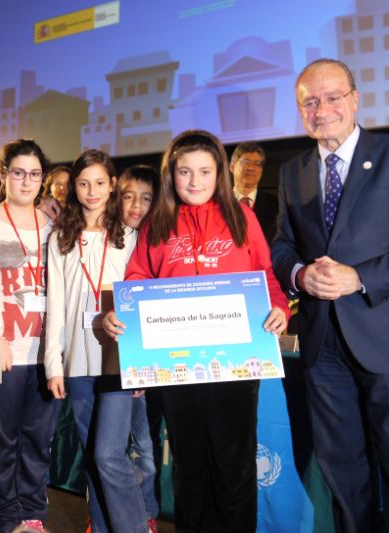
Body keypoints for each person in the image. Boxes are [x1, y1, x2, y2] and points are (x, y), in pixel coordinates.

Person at [271, 58, 389, 533]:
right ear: (300, 110)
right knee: (342, 474)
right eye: (310, 101)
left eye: (333, 97)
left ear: (354, 100)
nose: (322, 108)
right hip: (323, 345)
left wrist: (360, 278)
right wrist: (299, 274)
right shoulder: (293, 172)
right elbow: (283, 245)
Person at [104, 130, 289, 532]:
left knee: (234, 466)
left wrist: (278, 307)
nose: (194, 181)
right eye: (185, 171)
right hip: (177, 368)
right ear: (171, 175)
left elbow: (266, 275)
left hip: (237, 364)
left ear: (219, 173)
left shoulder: (242, 217)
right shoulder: (158, 222)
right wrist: (121, 320)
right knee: (189, 466)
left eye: (205, 171)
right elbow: (137, 280)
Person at [44, 150, 152, 533]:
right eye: (84, 183)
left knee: (110, 455)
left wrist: (140, 366)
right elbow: (54, 305)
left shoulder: (131, 235)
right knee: (92, 456)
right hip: (76, 361)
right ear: (73, 187)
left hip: (118, 361)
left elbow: (140, 300)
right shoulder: (60, 237)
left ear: (113, 185)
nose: (92, 191)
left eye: (100, 183)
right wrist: (53, 365)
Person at [0, 139, 58, 533]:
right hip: (6, 351)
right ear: (3, 175)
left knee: (37, 443)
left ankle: (32, 517)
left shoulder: (55, 229)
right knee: (2, 443)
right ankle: (4, 518)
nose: (26, 180)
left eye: (34, 173)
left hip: (45, 353)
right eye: (18, 172)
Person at [117, 165, 161, 526]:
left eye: (146, 198)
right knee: (108, 451)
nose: (136, 205)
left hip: (146, 363)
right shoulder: (104, 237)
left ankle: (146, 514)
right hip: (108, 357)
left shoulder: (158, 242)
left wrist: (141, 364)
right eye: (128, 196)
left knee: (144, 446)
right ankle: (105, 515)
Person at [230, 142, 278, 242]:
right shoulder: (218, 204)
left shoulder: (277, 205)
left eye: (257, 164)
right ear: (232, 166)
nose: (251, 168)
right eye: (246, 162)